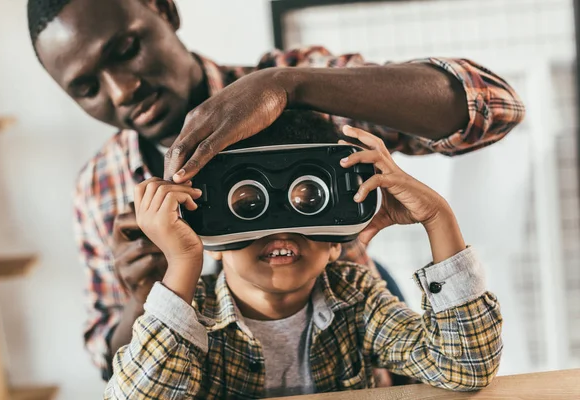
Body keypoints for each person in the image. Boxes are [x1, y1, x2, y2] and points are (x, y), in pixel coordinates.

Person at [27, 0, 523, 380]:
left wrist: (291, 86)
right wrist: (145, 301)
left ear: (164, 9)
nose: (121, 90)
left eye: (126, 49)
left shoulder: (302, 90)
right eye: (87, 88)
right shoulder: (99, 188)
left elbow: (495, 106)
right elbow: (110, 366)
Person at [104, 119, 503, 398]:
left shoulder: (355, 298)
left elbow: (466, 366)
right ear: (213, 233)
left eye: (309, 199)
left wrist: (438, 218)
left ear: (338, 241)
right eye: (247, 203)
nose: (280, 230)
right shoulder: (193, 317)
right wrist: (182, 262)